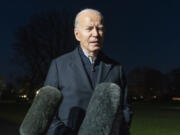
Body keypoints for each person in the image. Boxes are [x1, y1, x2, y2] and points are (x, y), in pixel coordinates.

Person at [44, 8, 132, 135]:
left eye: (100, 28)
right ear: (77, 34)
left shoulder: (116, 68)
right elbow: (47, 112)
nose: (96, 34)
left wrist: (116, 130)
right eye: (89, 29)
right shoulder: (58, 65)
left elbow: (125, 108)